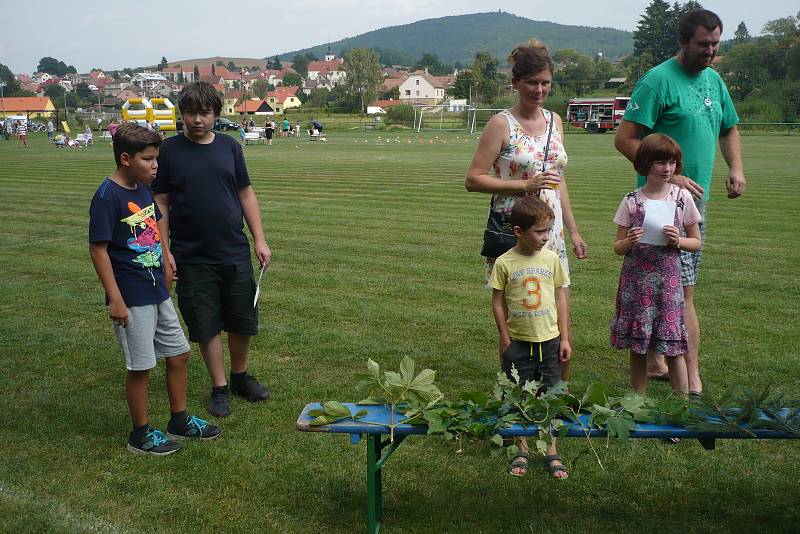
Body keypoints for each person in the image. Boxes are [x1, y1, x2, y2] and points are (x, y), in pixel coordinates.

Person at [614, 9, 745, 395]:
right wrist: (673, 176)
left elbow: (730, 126)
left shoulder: (715, 80)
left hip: (693, 204)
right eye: (703, 44)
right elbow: (625, 139)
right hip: (659, 204)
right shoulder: (657, 81)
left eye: (715, 44)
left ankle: (658, 360)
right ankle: (691, 377)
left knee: (670, 288)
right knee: (679, 290)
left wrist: (735, 167)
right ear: (684, 42)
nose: (710, 51)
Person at [88, 123, 221, 455]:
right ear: (125, 158)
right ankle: (141, 434)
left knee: (179, 354)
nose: (155, 166)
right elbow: (98, 249)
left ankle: (179, 420)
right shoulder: (108, 196)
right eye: (148, 159)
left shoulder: (142, 189)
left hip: (156, 290)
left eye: (156, 158)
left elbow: (154, 223)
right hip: (131, 294)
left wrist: (165, 260)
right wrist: (116, 298)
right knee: (141, 366)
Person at [465, 40, 587, 380]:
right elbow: (473, 180)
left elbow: (558, 180)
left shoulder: (555, 121)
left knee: (557, 304)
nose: (539, 89)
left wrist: (574, 231)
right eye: (532, 82)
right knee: (517, 309)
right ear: (516, 83)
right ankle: (516, 392)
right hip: (513, 228)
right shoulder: (500, 125)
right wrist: (524, 186)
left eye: (545, 82)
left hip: (552, 230)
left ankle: (557, 394)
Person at [152, 81, 272, 418]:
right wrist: (165, 250)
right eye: (191, 113)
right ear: (183, 114)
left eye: (204, 113)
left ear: (215, 114)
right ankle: (219, 387)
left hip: (233, 250)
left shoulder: (230, 148)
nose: (197, 120)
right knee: (205, 324)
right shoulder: (169, 151)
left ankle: (239, 377)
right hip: (191, 255)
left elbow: (246, 194)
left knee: (241, 319)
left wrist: (259, 239)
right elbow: (160, 202)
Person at [611, 134, 702, 396]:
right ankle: (637, 403)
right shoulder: (632, 200)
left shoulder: (682, 198)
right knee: (638, 346)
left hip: (668, 283)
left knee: (673, 345)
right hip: (637, 283)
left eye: (672, 162)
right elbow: (617, 248)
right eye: (660, 162)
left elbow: (696, 241)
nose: (667, 169)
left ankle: (681, 406)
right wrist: (629, 241)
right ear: (646, 164)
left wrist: (679, 241)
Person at [489, 196, 571, 479]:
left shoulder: (551, 259)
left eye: (548, 231)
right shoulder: (504, 262)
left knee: (551, 393)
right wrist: (504, 336)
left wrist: (565, 338)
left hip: (549, 338)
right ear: (519, 232)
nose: (546, 238)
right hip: (518, 340)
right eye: (539, 232)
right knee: (518, 392)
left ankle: (551, 449)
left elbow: (561, 299)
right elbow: (497, 301)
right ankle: (521, 447)